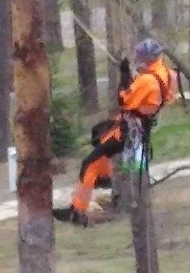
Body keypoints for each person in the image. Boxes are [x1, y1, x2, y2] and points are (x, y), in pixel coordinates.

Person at [54, 38, 175, 226]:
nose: (138, 59)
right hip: (141, 129)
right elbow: (161, 98)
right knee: (99, 140)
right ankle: (92, 194)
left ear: (147, 58)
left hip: (128, 131)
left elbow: (123, 100)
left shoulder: (147, 80)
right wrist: (135, 79)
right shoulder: (167, 75)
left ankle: (79, 208)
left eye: (140, 56)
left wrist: (125, 77)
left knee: (89, 163)